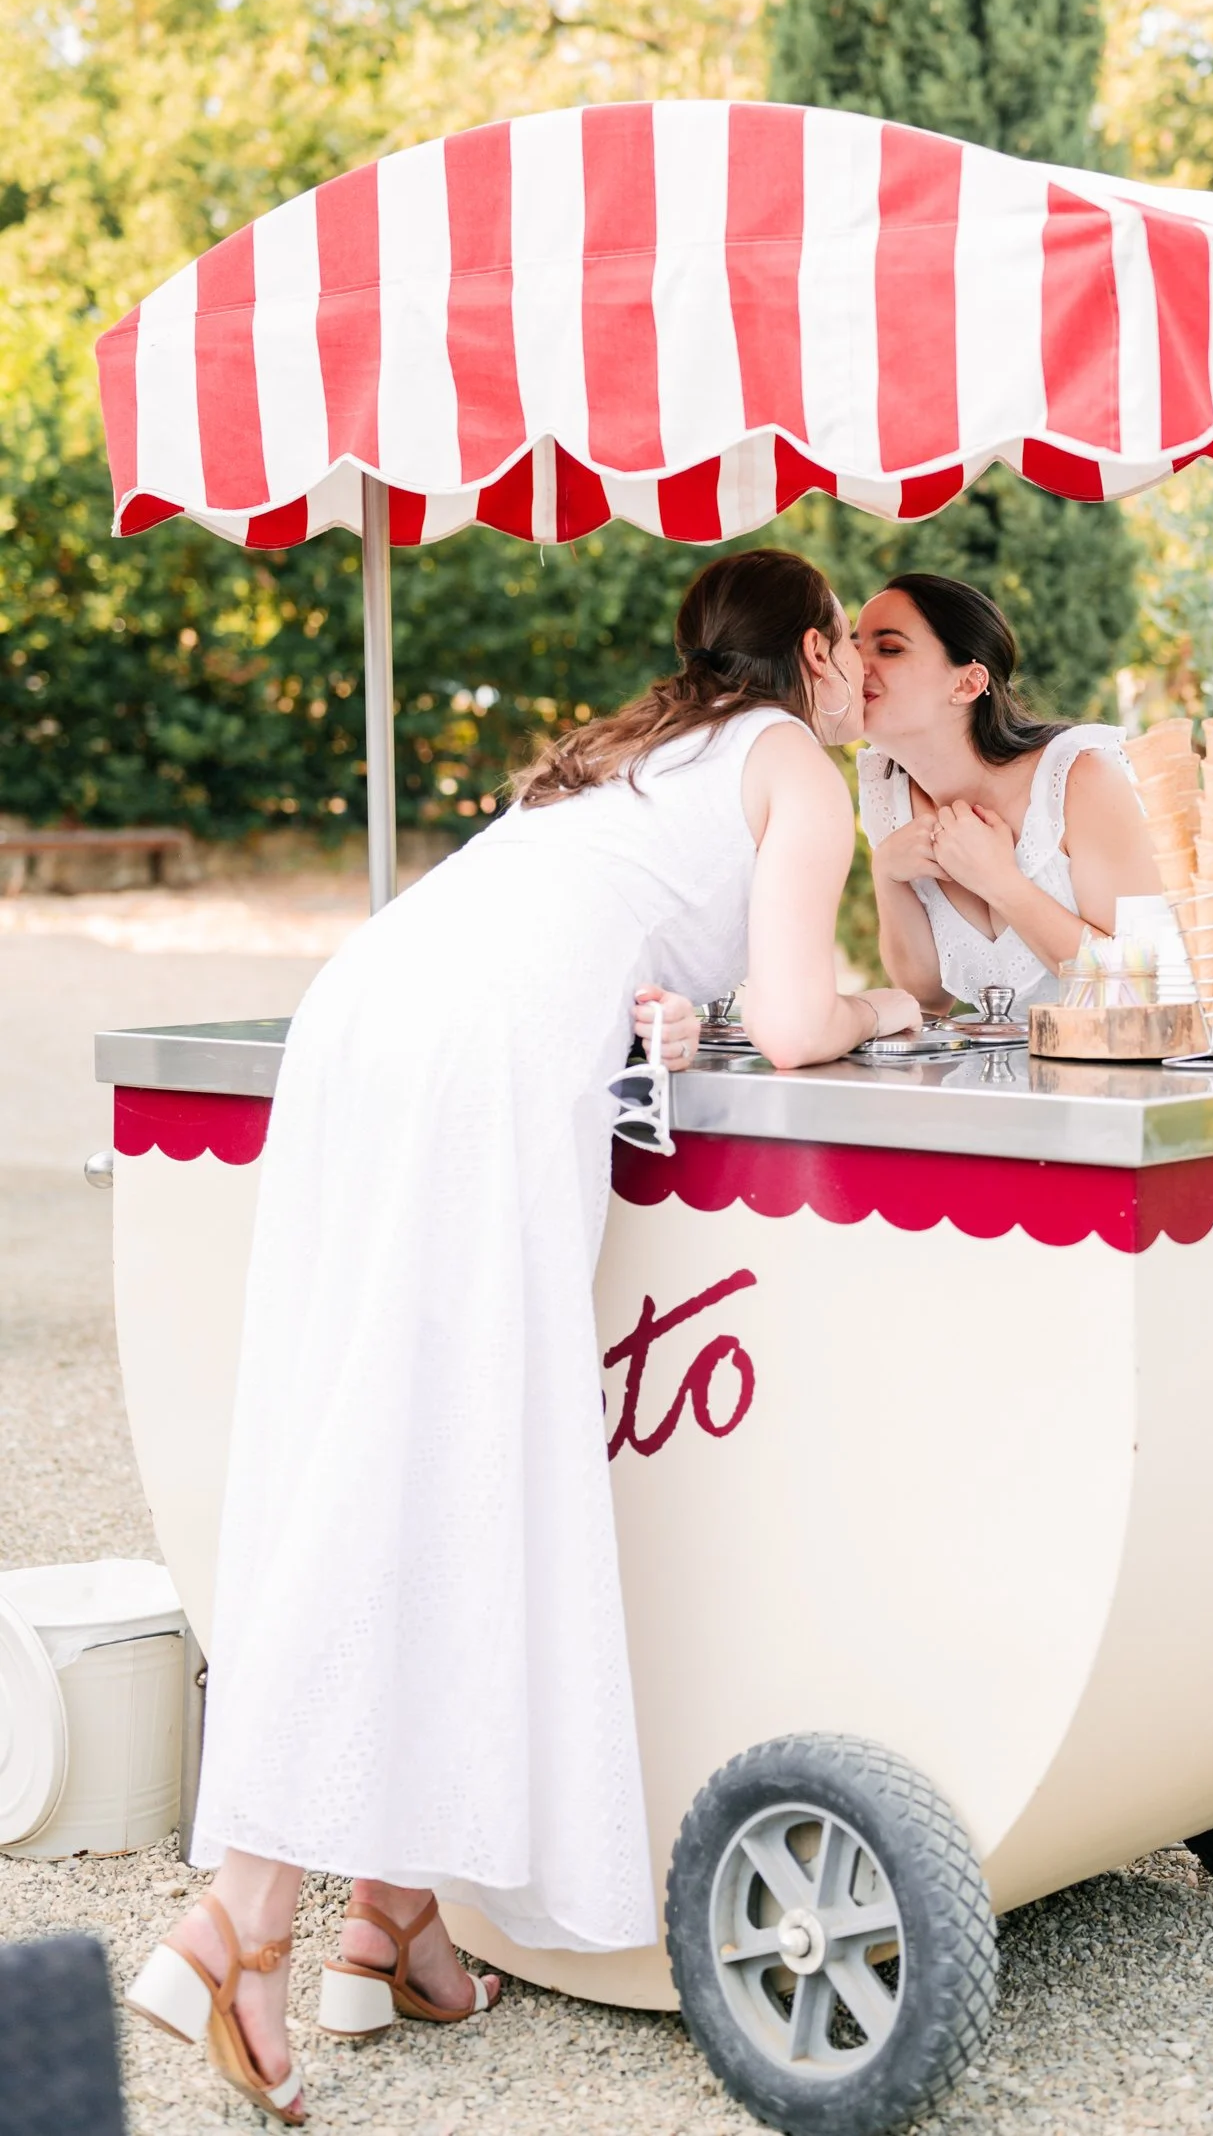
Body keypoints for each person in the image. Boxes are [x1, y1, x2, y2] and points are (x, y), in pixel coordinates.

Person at [125, 548, 922, 2126]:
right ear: (817, 655)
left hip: (364, 1019)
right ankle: (244, 1915)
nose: (864, 688)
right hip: (475, 1071)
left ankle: (390, 1924)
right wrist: (893, 1012)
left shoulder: (637, 745)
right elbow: (798, 1016)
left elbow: (624, 944)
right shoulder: (795, 768)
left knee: (396, 1438)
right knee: (419, 1457)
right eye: (857, 656)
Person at [855, 572, 1163, 1020]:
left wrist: (1000, 882)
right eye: (854, 646)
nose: (856, 664)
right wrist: (886, 871)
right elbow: (926, 1001)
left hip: (1114, 1079)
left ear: (966, 683)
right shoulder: (886, 788)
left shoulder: (1081, 778)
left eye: (889, 649)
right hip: (991, 1081)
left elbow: (1139, 994)